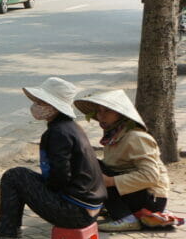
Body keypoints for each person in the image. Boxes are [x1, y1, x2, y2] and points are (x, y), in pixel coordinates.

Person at [0, 77, 106, 239]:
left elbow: (60, 177)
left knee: (14, 177)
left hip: (75, 212)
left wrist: (35, 189)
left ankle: (8, 238)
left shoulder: (58, 133)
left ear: (53, 107)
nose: (35, 105)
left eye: (40, 102)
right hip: (88, 209)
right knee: (22, 177)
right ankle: (8, 226)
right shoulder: (70, 128)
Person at [74, 90, 181, 231]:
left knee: (99, 173)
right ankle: (115, 210)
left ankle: (126, 218)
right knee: (91, 165)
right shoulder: (115, 136)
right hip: (136, 195)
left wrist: (110, 181)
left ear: (120, 114)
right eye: (98, 111)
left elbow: (151, 176)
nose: (101, 116)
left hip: (152, 199)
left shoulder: (136, 137)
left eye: (107, 111)